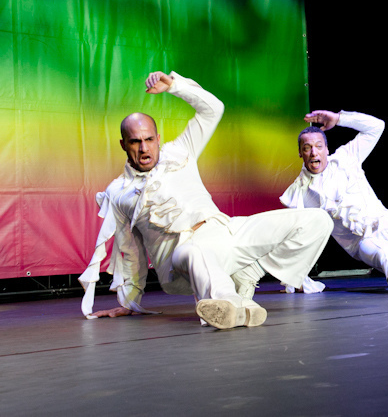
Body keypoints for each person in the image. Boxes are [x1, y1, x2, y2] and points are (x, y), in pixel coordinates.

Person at [78, 71, 333, 329]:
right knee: (194, 251)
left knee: (318, 220)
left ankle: (247, 278)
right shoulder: (118, 192)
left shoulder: (180, 151)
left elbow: (213, 109)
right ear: (123, 144)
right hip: (180, 260)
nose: (144, 148)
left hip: (225, 232)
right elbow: (131, 250)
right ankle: (233, 303)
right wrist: (129, 302)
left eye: (149, 139)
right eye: (135, 142)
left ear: (158, 139)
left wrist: (174, 86)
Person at [232, 110, 388, 298]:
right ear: (300, 153)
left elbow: (377, 127)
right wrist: (297, 279)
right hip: (364, 243)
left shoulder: (347, 157)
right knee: (386, 252)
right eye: (307, 148)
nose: (314, 152)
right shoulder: (299, 194)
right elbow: (296, 241)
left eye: (318, 146)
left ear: (326, 149)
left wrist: (339, 119)